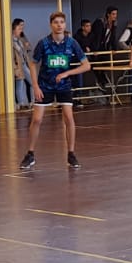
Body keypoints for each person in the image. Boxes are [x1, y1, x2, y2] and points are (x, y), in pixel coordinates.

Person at [21, 12, 90, 171]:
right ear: (51, 25)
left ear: (65, 25)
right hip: (45, 85)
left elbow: (86, 65)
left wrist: (67, 73)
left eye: (61, 22)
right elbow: (33, 64)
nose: (59, 25)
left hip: (63, 86)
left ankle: (71, 153)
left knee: (69, 118)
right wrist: (35, 86)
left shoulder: (71, 43)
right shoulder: (43, 43)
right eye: (56, 22)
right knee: (37, 119)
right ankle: (30, 154)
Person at [11, 19, 33, 108]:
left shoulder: (21, 39)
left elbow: (27, 49)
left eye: (22, 27)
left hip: (24, 63)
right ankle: (21, 104)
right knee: (19, 83)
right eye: (19, 27)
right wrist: (15, 68)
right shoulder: (10, 41)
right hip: (18, 65)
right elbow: (11, 56)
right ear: (14, 27)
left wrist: (26, 45)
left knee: (31, 82)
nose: (21, 29)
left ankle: (31, 102)